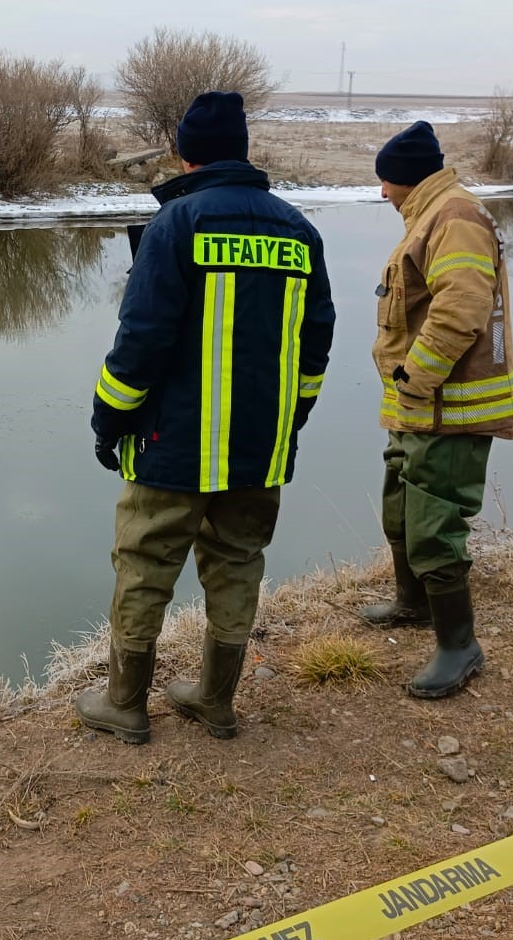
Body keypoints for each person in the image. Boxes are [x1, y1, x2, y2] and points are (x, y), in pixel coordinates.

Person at [76, 91, 335, 744]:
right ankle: (215, 702)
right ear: (242, 151)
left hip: (171, 448)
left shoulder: (177, 224)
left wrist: (108, 421)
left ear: (184, 152)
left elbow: (139, 344)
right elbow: (315, 348)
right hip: (259, 449)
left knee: (144, 565)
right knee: (237, 563)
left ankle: (125, 704)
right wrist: (289, 421)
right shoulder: (298, 231)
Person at [361, 120, 513, 699]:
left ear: (406, 178)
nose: (381, 193)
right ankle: (413, 605)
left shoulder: (454, 218)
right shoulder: (432, 214)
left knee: (434, 525)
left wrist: (415, 378)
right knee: (400, 507)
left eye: (385, 182)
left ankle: (460, 645)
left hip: (447, 407)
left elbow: (462, 308)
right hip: (419, 408)